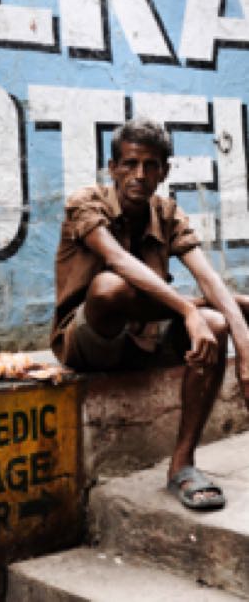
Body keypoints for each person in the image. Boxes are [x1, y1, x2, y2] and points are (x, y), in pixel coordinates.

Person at [51, 118, 249, 511]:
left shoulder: (168, 212)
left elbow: (207, 275)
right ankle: (194, 309)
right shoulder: (84, 202)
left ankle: (183, 465)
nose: (139, 175)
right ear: (113, 168)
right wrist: (184, 311)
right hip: (89, 341)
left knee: (217, 320)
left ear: (164, 171)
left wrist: (245, 351)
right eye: (129, 164)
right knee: (110, 287)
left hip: (144, 335)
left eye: (151, 166)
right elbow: (117, 261)